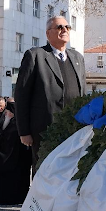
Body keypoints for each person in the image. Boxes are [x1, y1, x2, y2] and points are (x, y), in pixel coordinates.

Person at [15, 15, 86, 171]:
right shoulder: (35, 56)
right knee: (46, 173)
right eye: (59, 27)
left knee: (71, 173)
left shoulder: (78, 58)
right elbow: (22, 96)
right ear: (48, 33)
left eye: (67, 27)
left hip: (74, 131)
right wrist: (24, 132)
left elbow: (83, 95)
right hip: (44, 131)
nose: (64, 30)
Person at [0, 100, 31, 205]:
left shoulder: (15, 124)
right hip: (14, 158)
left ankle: (9, 199)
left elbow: (8, 140)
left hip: (12, 159)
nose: (6, 114)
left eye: (8, 112)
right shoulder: (13, 122)